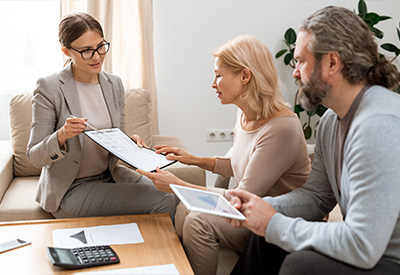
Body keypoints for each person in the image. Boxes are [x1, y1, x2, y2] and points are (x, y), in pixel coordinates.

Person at [227, 6, 400, 275]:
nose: (295, 73)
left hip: (388, 259)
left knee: (301, 263)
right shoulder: (331, 122)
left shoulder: (378, 125)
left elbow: (363, 246)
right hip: (370, 251)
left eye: (301, 61)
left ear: (332, 62)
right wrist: (261, 208)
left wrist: (272, 223)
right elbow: (316, 197)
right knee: (269, 233)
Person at [137, 35, 311, 274]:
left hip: (274, 222)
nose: (213, 83)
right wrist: (192, 159)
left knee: (198, 221)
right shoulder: (245, 114)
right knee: (185, 208)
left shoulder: (281, 128)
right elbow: (238, 164)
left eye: (219, 75)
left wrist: (178, 185)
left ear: (245, 76)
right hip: (249, 209)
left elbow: (244, 195)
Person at [26, 12, 177, 220]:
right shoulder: (49, 87)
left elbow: (116, 136)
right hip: (70, 188)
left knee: (173, 192)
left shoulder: (113, 84)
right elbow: (34, 156)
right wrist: (61, 135)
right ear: (66, 51)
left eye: (100, 46)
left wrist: (130, 143)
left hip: (110, 177)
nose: (97, 56)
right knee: (162, 200)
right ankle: (158, 254)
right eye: (86, 51)